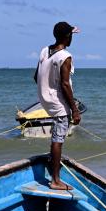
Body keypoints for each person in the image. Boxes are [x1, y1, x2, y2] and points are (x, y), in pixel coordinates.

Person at [33, 21, 82, 190]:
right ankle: (55, 180)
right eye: (71, 35)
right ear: (67, 37)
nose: (72, 39)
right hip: (58, 103)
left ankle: (52, 163)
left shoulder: (44, 51)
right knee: (58, 139)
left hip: (45, 99)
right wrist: (74, 110)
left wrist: (47, 88)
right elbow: (65, 84)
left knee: (56, 136)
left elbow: (35, 76)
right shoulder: (65, 57)